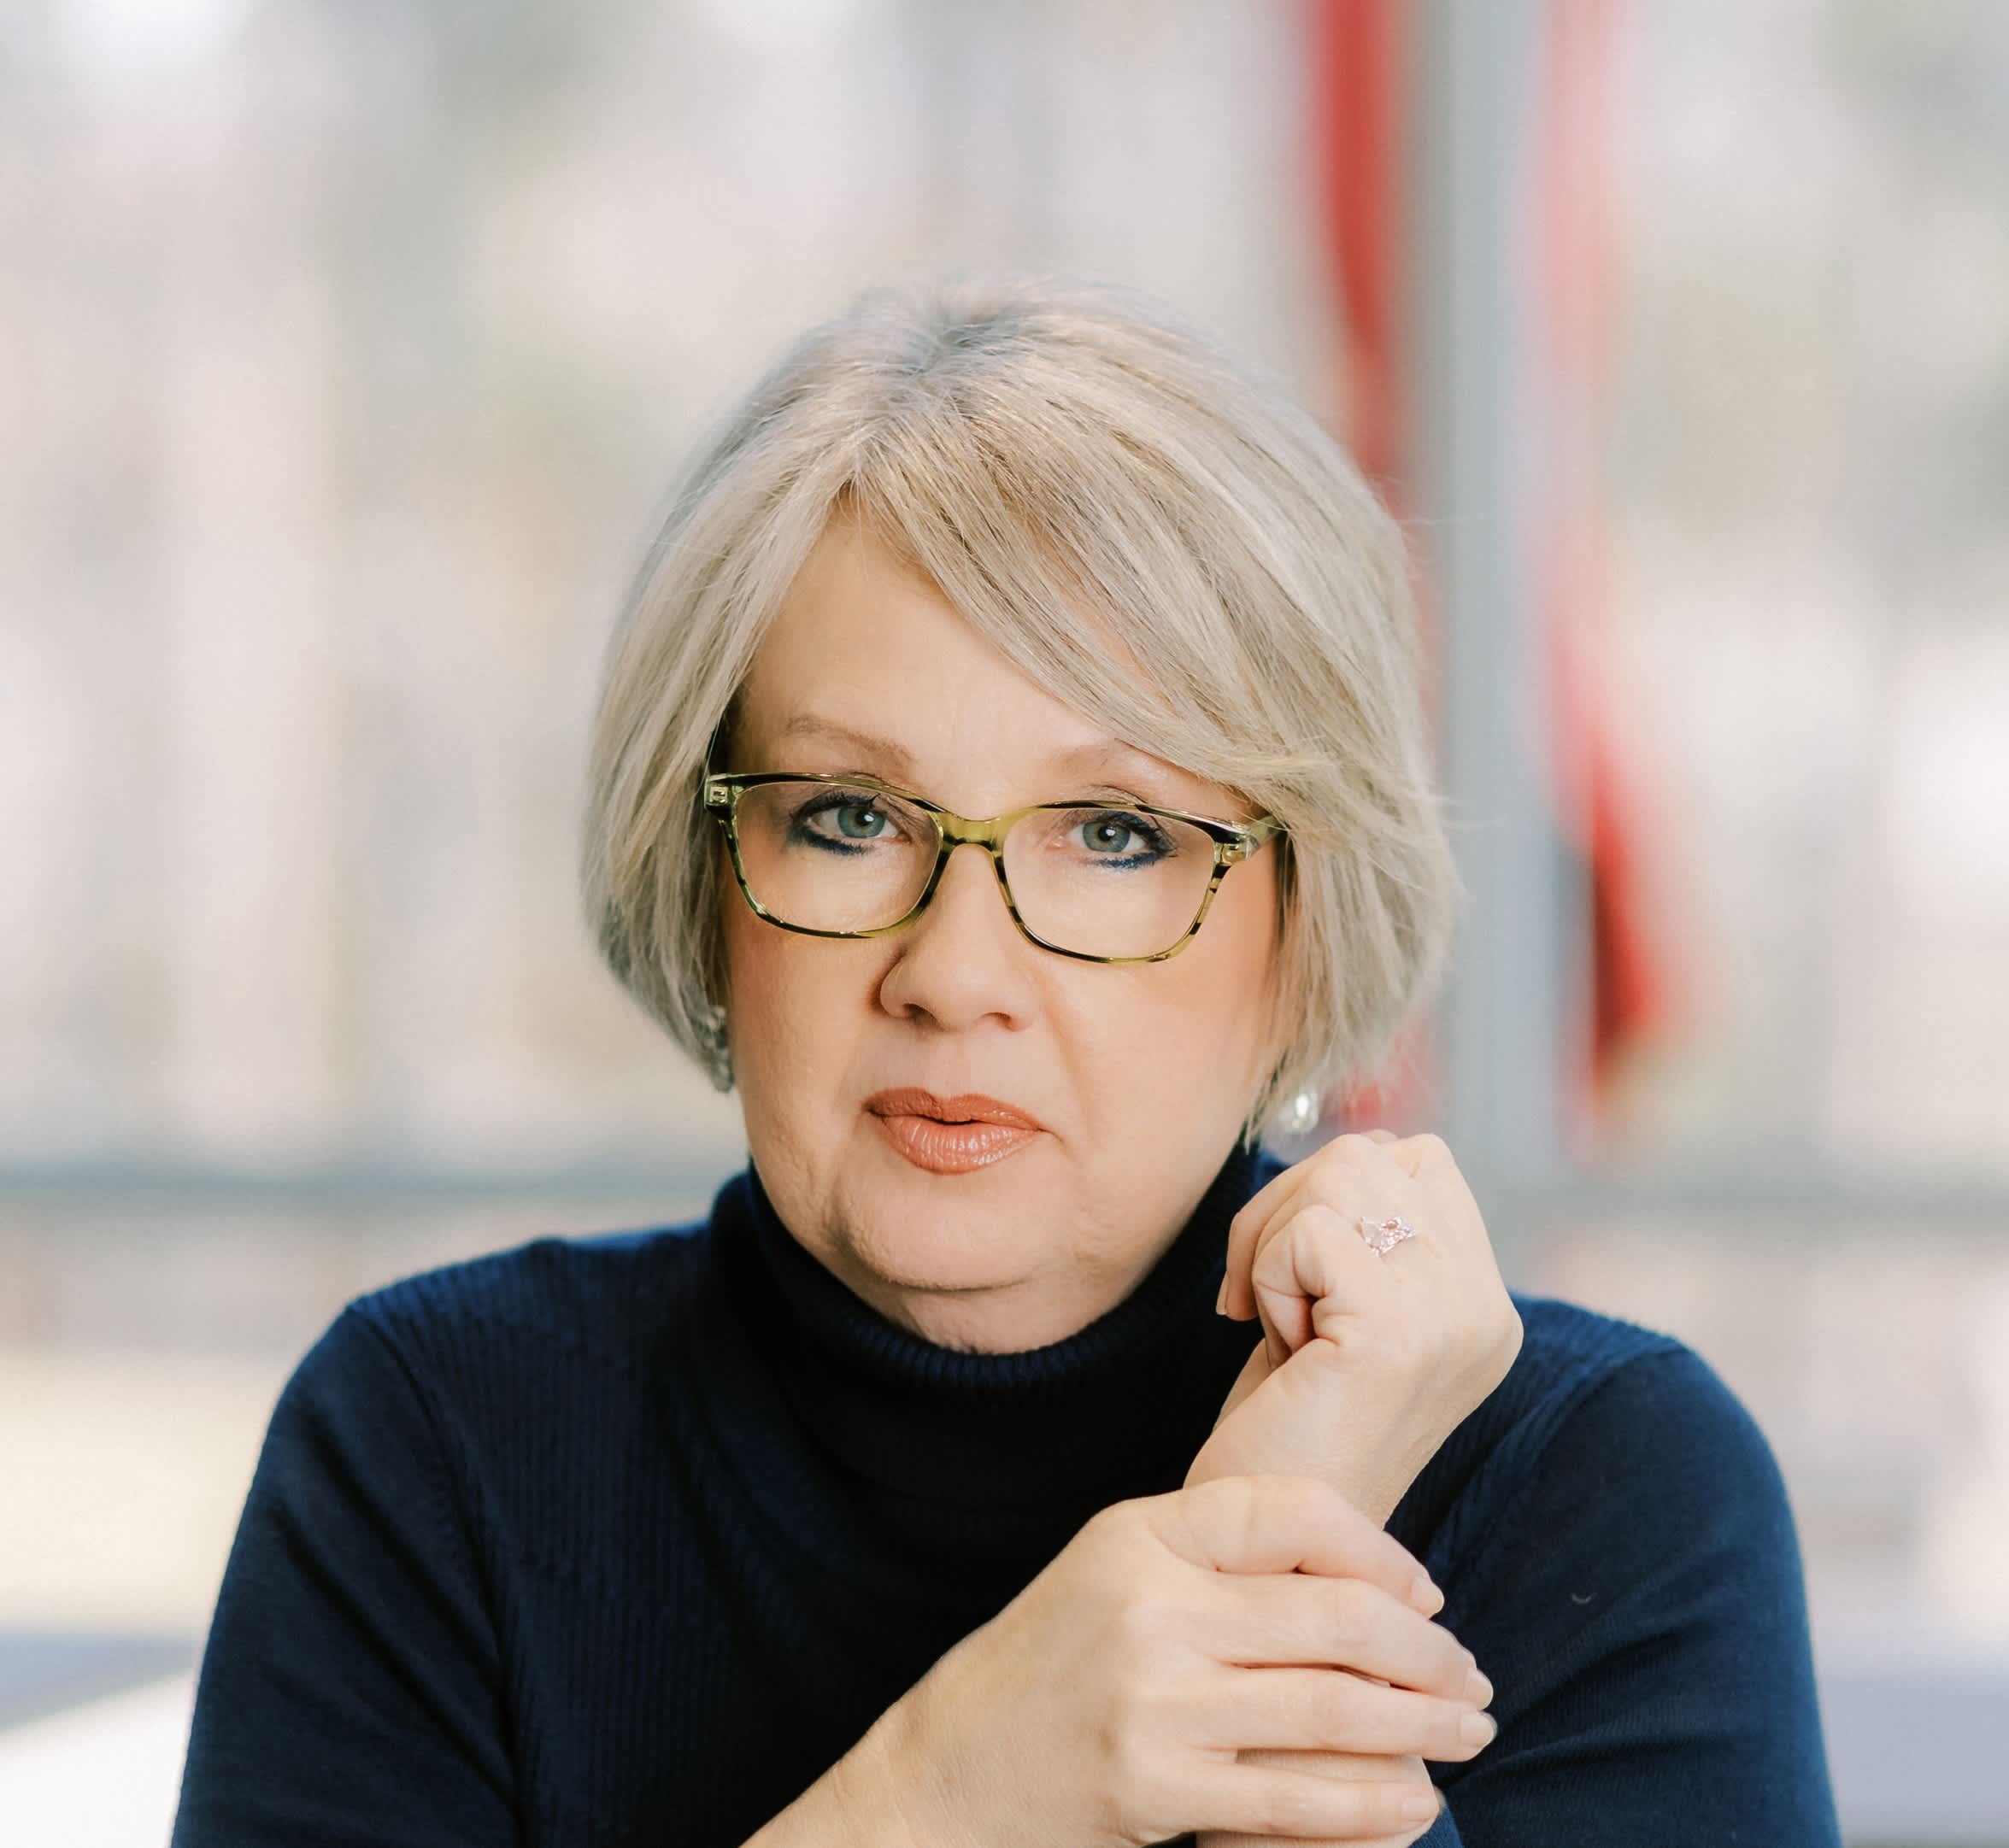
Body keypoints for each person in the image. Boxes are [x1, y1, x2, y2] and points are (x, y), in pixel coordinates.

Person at [170, 278, 1844, 1847]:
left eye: (1113, 832)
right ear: (707, 882)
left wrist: (1267, 1592)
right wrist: (960, 1780)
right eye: (845, 815)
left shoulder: (1605, 1484)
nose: (954, 972)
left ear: (1305, 916)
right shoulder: (438, 1438)